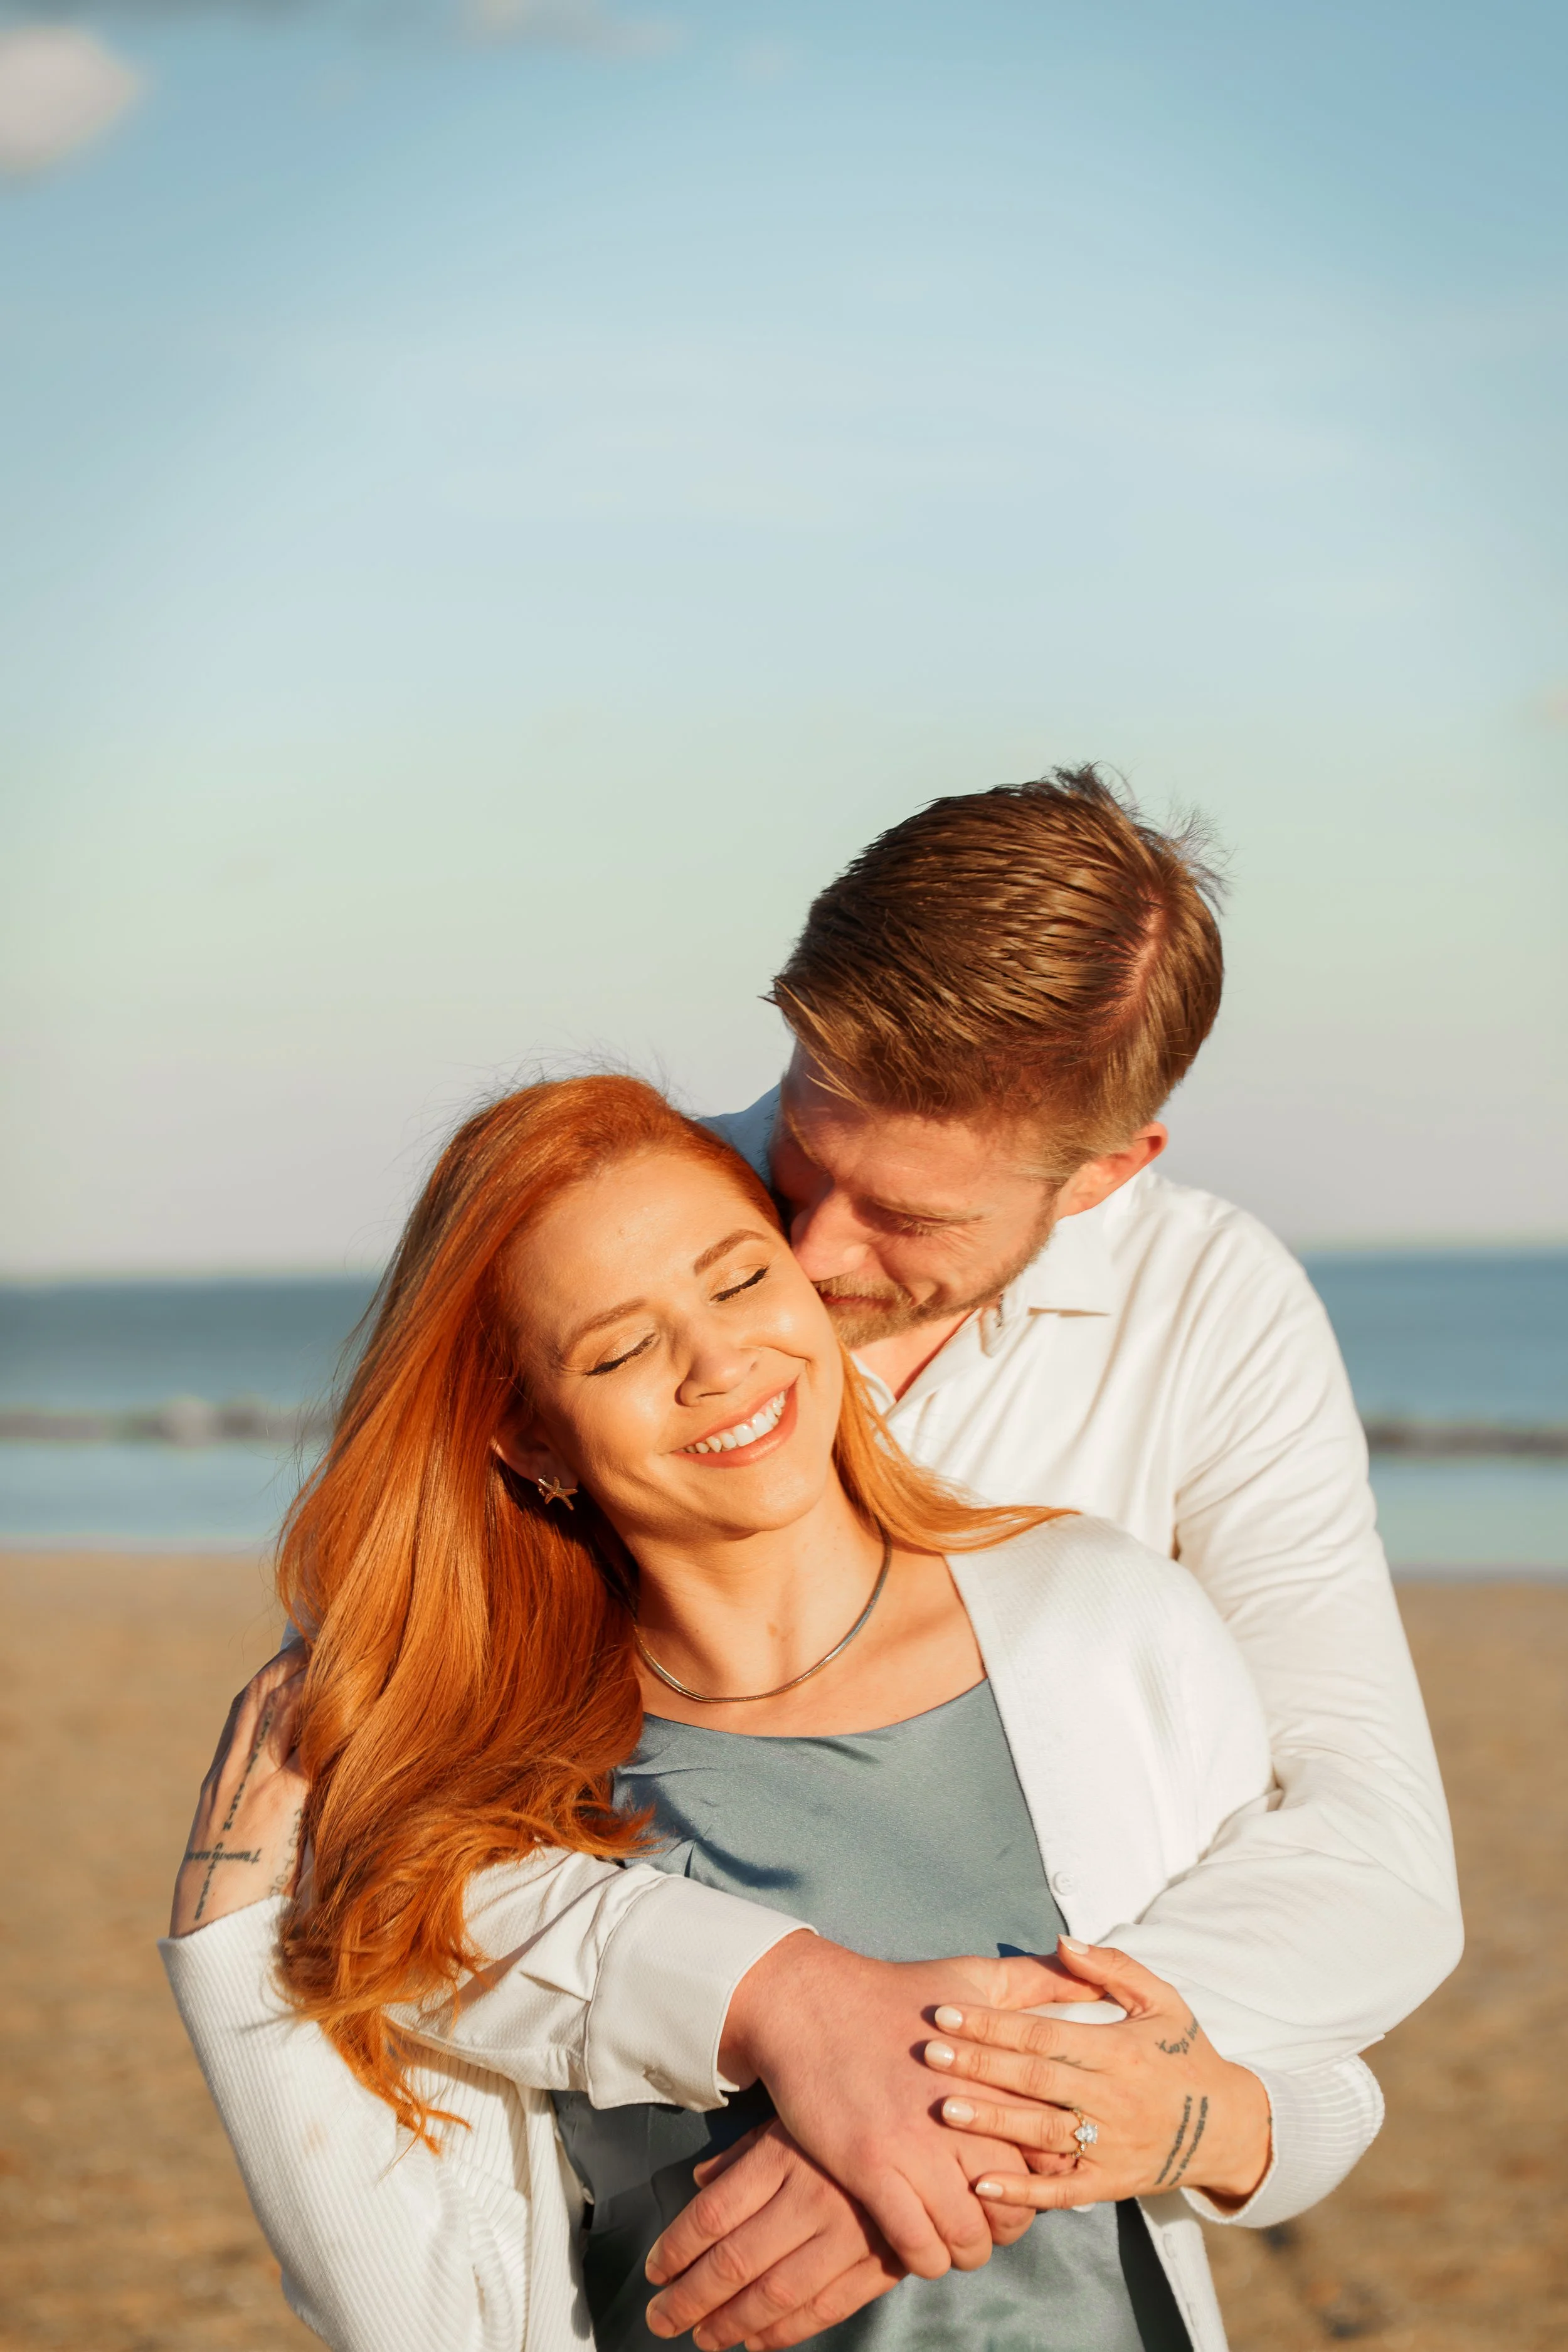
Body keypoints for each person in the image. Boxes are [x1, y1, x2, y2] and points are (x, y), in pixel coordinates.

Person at [379, 768, 1459, 2341]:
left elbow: (1369, 1856)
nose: (812, 1260)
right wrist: (795, 2013)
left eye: (903, 1217)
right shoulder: (605, 1253)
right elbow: (390, 1851)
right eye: (807, 1152)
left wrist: (946, 2108)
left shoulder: (1210, 1313)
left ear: (1107, 1173)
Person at [164, 1077, 1391, 2352]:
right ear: (529, 1440)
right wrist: (225, 1950)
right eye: (621, 1348)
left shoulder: (1099, 1621)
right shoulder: (498, 1796)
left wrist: (1116, 2123)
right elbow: (429, 2314)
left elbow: (1309, 2078)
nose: (718, 1363)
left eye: (740, 1280)